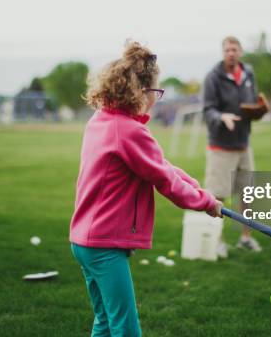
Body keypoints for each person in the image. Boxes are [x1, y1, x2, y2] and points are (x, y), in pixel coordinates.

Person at [69, 41, 223, 337]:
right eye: (157, 92)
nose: (157, 99)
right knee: (126, 328)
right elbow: (165, 181)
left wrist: (198, 188)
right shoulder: (129, 131)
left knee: (105, 322)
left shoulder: (102, 121)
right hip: (104, 244)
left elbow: (161, 166)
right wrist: (205, 203)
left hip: (84, 240)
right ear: (140, 92)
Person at [202, 35, 262, 256]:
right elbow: (207, 109)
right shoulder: (213, 77)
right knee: (218, 197)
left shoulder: (248, 74)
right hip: (220, 147)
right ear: (222, 52)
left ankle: (246, 239)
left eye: (235, 49)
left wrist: (258, 110)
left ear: (241, 52)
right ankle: (217, 241)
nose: (231, 53)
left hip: (244, 145)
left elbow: (251, 101)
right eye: (227, 50)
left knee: (248, 195)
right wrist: (222, 117)